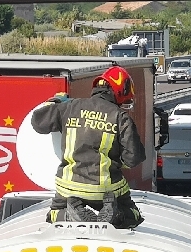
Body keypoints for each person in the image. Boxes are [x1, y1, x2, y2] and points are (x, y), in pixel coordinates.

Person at [31, 65, 146, 228]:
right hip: (106, 189)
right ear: (121, 92)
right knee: (133, 215)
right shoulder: (120, 117)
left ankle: (67, 215)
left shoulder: (70, 107)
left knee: (53, 214)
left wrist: (56, 101)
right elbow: (133, 158)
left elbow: (38, 122)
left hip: (69, 187)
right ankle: (116, 215)